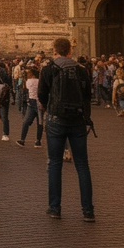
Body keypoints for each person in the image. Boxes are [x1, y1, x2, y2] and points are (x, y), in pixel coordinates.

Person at [37, 37, 94, 222]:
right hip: (78, 120)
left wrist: (49, 108)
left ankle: (54, 208)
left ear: (55, 51)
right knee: (82, 165)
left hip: (55, 120)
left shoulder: (48, 69)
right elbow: (87, 96)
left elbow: (41, 95)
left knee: (54, 164)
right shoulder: (82, 70)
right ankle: (88, 211)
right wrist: (86, 117)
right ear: (70, 51)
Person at [17, 66, 43, 148]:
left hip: (31, 102)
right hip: (40, 102)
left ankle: (22, 139)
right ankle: (38, 141)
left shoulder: (29, 81)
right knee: (40, 123)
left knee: (26, 122)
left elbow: (25, 89)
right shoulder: (40, 81)